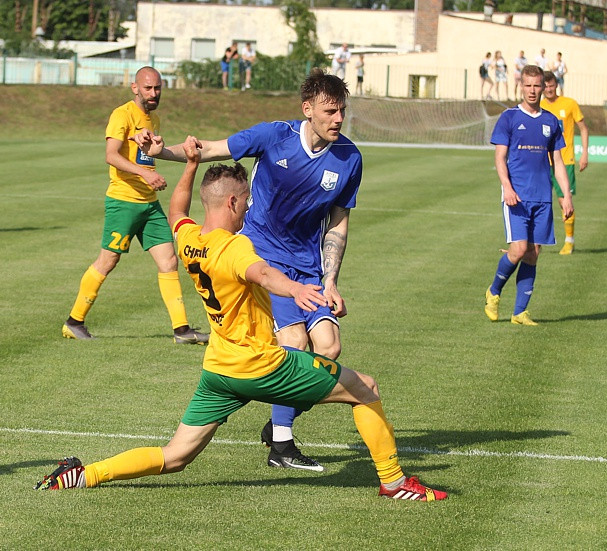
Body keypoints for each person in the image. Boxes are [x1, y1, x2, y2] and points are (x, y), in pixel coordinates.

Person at [34, 137, 447, 502]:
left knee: (175, 456)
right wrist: (299, 289)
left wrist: (190, 166)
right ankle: (394, 482)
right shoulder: (234, 248)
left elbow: (177, 209)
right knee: (365, 387)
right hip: (260, 365)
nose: (249, 205)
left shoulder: (189, 238)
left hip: (220, 369)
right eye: (246, 199)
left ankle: (83, 475)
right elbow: (263, 274)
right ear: (232, 203)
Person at [134, 69, 361, 472]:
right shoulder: (273, 136)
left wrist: (330, 280)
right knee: (294, 339)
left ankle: (278, 422)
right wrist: (160, 151)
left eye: (342, 110)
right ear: (307, 109)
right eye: (330, 111)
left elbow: (338, 223)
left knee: (329, 347)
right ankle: (282, 444)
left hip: (308, 266)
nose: (338, 119)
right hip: (262, 261)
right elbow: (209, 149)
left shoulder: (349, 158)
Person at [61, 66, 208, 345]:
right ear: (135, 87)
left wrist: (158, 155)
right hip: (124, 201)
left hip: (149, 204)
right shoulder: (122, 114)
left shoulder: (154, 119)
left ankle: (181, 330)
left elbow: (146, 154)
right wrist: (145, 174)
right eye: (148, 88)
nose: (153, 93)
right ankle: (74, 322)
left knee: (169, 261)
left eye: (158, 88)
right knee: (108, 260)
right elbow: (111, 155)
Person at [483, 65, 573, 326]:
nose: (533, 90)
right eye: (528, 85)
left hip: (542, 197)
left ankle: (519, 313)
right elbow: (500, 157)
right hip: (517, 197)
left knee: (533, 254)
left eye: (537, 86)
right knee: (519, 250)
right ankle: (494, 291)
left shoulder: (551, 121)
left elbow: (558, 162)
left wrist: (566, 195)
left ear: (544, 87)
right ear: (521, 86)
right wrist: (507, 187)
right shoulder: (509, 118)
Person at [541, 71, 588, 255]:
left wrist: (584, 153)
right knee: (539, 202)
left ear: (557, 85)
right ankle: (537, 241)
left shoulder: (569, 104)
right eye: (546, 86)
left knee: (564, 201)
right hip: (541, 161)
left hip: (565, 159)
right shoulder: (539, 106)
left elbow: (583, 128)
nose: (549, 89)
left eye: (552, 86)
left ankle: (569, 240)